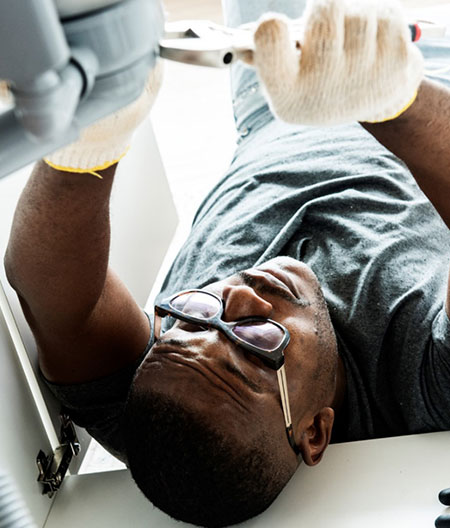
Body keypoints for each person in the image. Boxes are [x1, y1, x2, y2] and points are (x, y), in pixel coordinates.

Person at [4, 0, 450, 526]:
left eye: (192, 317)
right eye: (258, 341)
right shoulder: (425, 386)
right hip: (426, 94)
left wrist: (92, 144)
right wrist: (390, 96)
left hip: (272, 98)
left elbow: (53, 295)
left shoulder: (167, 408)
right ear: (314, 431)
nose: (236, 295)